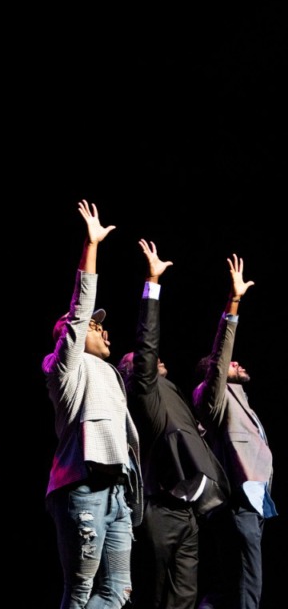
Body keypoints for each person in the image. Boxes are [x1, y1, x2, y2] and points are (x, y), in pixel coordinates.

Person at [116, 240, 229, 609]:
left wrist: (232, 308)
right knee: (157, 595)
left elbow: (216, 377)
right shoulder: (144, 392)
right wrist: (152, 282)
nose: (156, 358)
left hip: (189, 513)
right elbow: (146, 346)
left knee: (186, 596)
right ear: (133, 374)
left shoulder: (175, 393)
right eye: (144, 361)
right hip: (159, 510)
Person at [42, 199, 142, 609]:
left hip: (117, 490)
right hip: (82, 486)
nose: (104, 333)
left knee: (118, 592)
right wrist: (91, 246)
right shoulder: (64, 366)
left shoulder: (110, 373)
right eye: (94, 327)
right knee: (81, 589)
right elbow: (80, 311)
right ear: (71, 333)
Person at [192, 254, 275, 609]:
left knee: (234, 581)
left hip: (253, 501)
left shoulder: (241, 400)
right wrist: (234, 303)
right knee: (246, 580)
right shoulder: (213, 395)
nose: (237, 363)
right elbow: (221, 360)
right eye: (229, 363)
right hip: (237, 499)